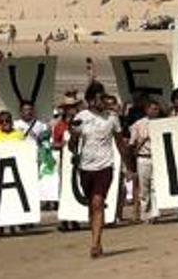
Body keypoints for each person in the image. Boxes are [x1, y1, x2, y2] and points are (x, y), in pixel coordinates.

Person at [68, 81, 131, 259]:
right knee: (91, 204)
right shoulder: (82, 117)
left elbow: (119, 143)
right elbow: (72, 145)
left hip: (105, 166)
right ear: (91, 100)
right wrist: (73, 138)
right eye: (99, 97)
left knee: (97, 202)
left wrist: (128, 166)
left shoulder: (112, 118)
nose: (103, 101)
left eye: (104, 97)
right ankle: (96, 237)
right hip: (86, 166)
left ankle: (95, 244)